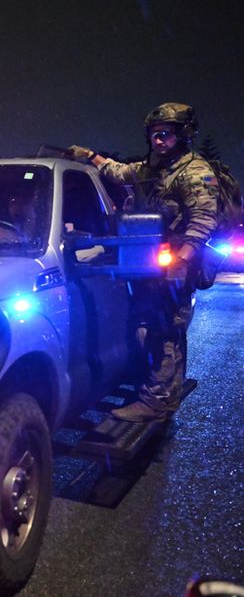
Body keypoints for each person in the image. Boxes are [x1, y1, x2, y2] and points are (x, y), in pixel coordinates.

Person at [67, 102, 221, 422]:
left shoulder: (194, 171)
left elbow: (205, 218)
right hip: (154, 263)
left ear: (184, 135)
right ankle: (158, 389)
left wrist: (182, 259)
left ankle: (157, 402)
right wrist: (91, 157)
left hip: (177, 264)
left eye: (164, 134)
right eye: (153, 135)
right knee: (153, 326)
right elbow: (120, 172)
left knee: (164, 329)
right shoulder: (154, 168)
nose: (157, 141)